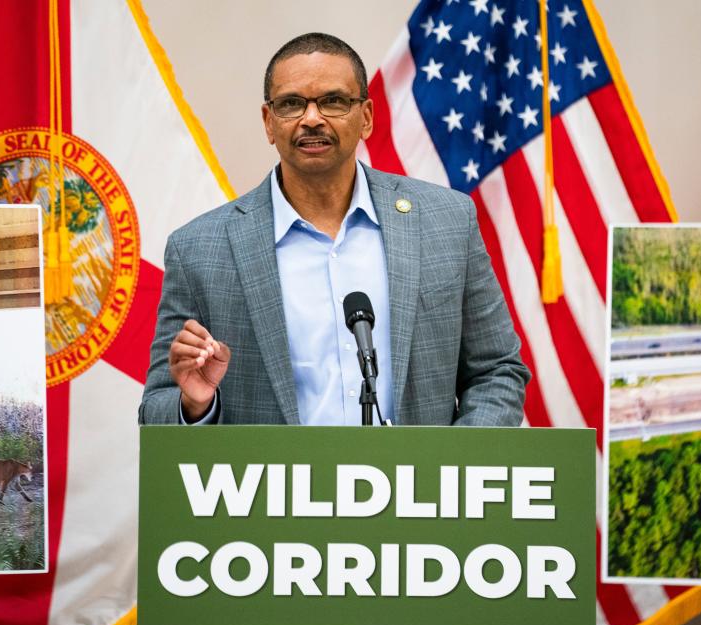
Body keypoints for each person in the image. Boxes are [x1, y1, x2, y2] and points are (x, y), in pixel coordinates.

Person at [138, 33, 529, 428]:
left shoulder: (446, 222)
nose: (311, 119)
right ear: (268, 122)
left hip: (419, 486)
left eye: (333, 101)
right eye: (291, 104)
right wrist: (196, 406)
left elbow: (497, 371)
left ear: (367, 117)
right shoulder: (199, 250)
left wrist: (448, 469)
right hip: (274, 487)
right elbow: (157, 408)